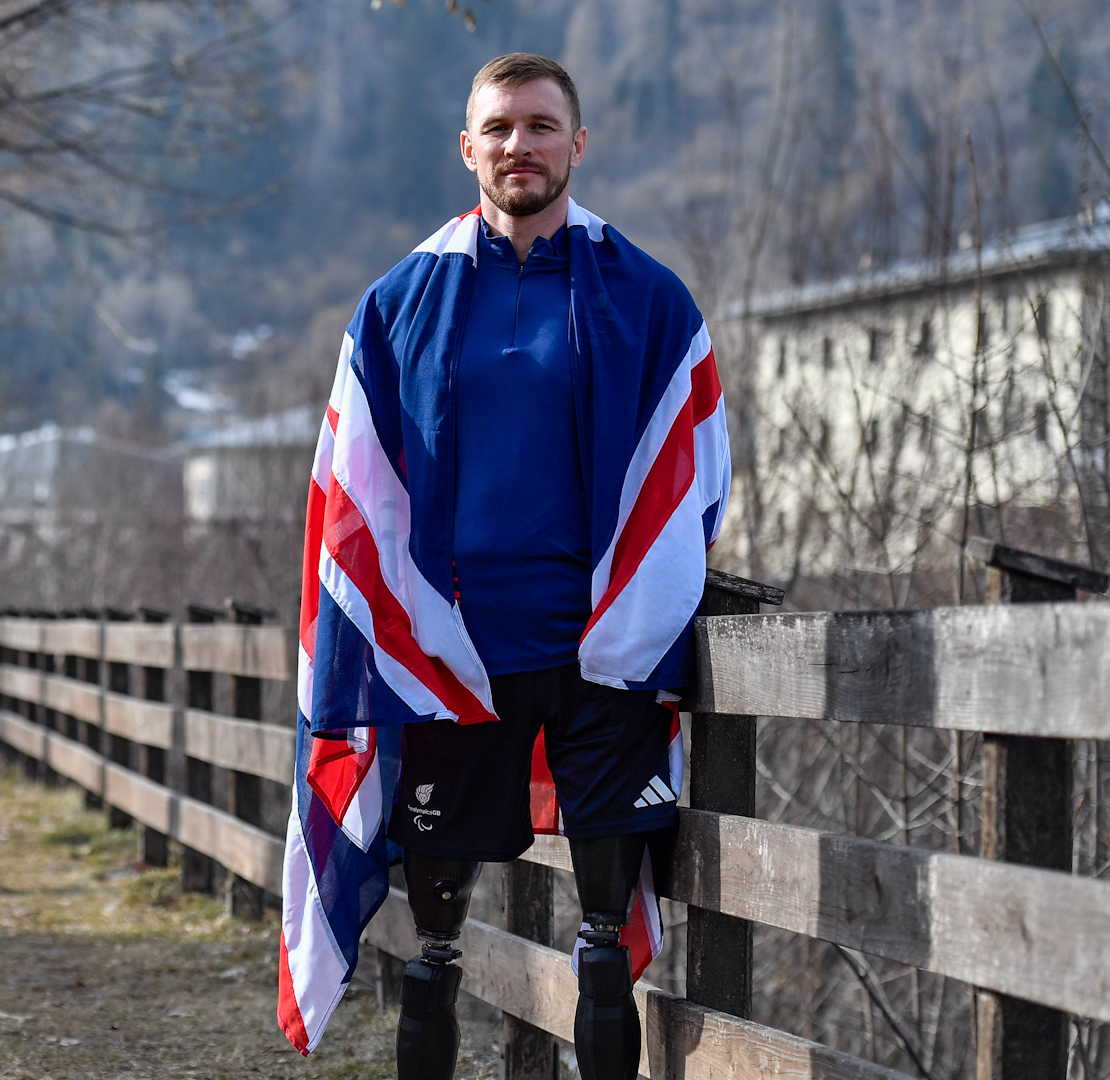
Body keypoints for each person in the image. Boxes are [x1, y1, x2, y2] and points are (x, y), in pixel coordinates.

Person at [275, 53, 730, 1080]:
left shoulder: (650, 300)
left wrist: (652, 610)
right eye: (499, 127)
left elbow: (698, 474)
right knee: (437, 935)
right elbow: (352, 494)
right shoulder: (400, 304)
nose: (518, 144)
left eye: (539, 125)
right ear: (467, 148)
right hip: (454, 664)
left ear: (578, 143)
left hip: (606, 659)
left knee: (605, 938)